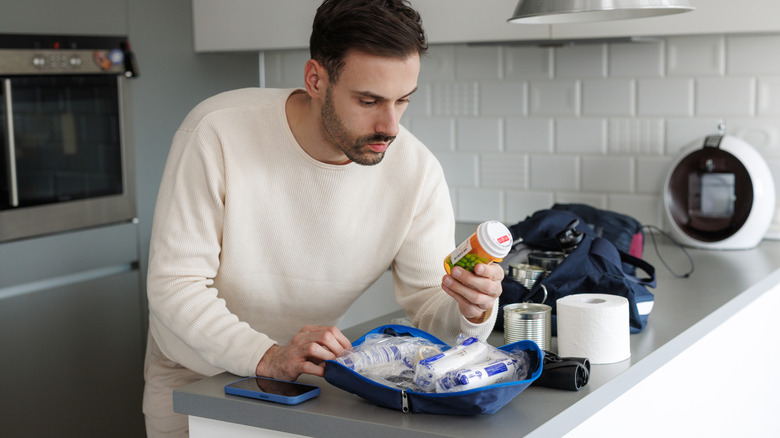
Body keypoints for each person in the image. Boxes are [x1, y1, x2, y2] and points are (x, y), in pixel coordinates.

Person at [142, 0, 505, 436]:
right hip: (194, 377)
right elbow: (175, 285)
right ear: (316, 79)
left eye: (403, 100)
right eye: (368, 100)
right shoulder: (217, 131)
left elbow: (431, 306)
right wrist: (266, 356)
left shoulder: (417, 172)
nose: (390, 126)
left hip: (304, 380)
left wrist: (471, 309)